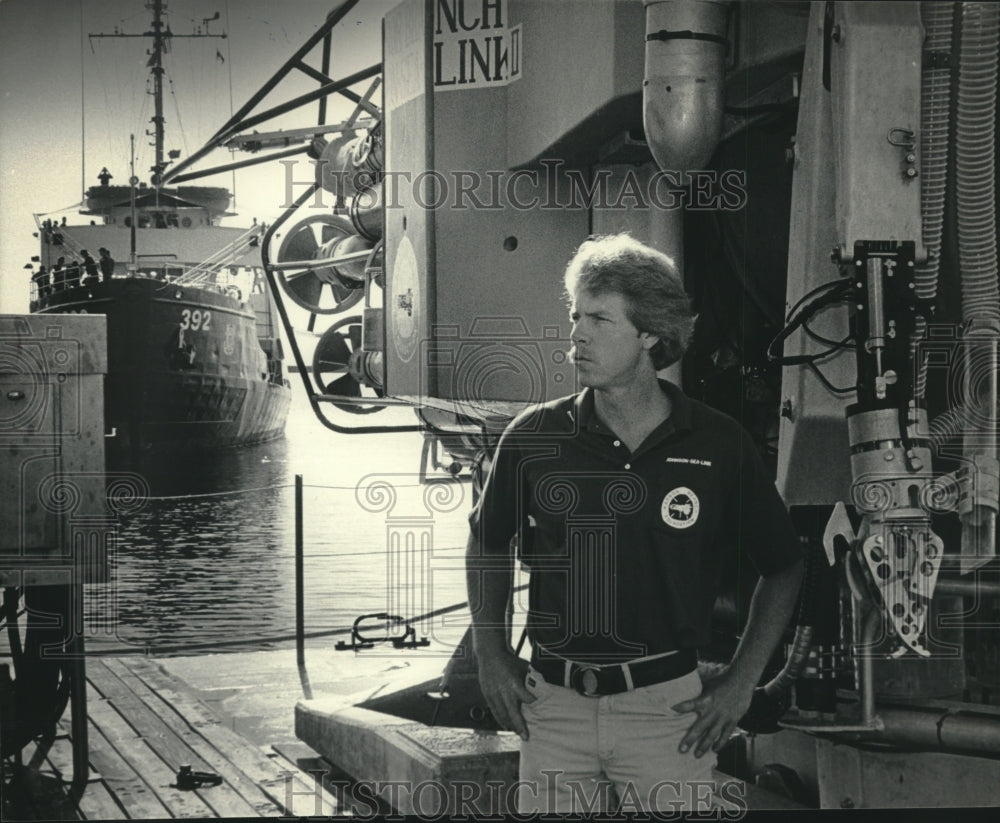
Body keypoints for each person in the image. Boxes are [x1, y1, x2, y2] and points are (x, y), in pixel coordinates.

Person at [466, 234, 804, 814]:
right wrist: (490, 652)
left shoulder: (718, 443)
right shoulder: (534, 437)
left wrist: (743, 680)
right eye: (576, 315)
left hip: (668, 713)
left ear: (650, 335)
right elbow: (487, 540)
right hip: (551, 711)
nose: (577, 333)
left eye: (599, 319)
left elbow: (785, 564)